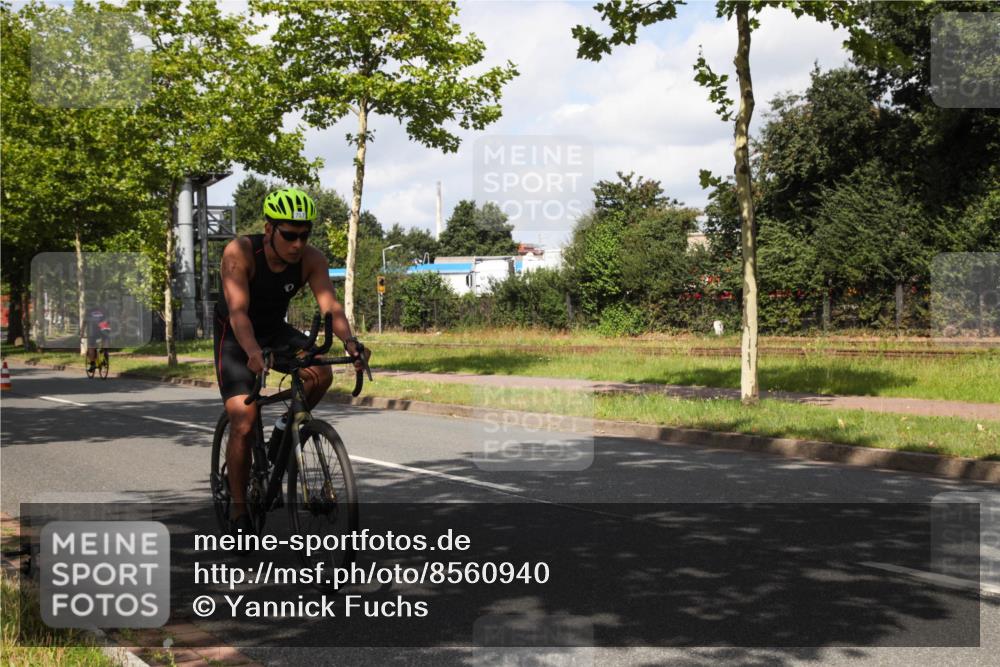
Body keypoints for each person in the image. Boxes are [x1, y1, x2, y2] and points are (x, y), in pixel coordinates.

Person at [214, 187, 368, 535]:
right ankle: (239, 513)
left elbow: (331, 308)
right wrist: (253, 352)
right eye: (290, 235)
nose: (298, 244)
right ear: (269, 230)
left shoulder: (311, 259)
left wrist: (351, 343)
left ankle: (284, 430)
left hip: (274, 331)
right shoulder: (240, 252)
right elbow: (238, 312)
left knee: (320, 372)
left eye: (304, 235)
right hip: (236, 336)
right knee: (244, 418)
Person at [84, 305, 111, 372]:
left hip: (94, 331)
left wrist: (81, 334)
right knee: (105, 339)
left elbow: (84, 323)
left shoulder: (88, 312)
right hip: (105, 328)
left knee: (91, 346)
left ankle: (92, 364)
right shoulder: (104, 310)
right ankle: (105, 352)